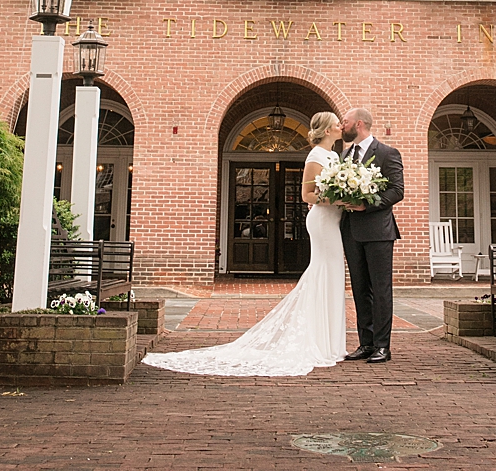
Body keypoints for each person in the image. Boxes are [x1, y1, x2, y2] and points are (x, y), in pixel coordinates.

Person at [142, 111, 347, 377]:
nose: (341, 125)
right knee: (323, 272)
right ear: (327, 129)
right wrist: (338, 200)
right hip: (322, 221)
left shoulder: (335, 156)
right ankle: (319, 341)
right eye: (337, 123)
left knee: (333, 275)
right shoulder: (316, 156)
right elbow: (307, 194)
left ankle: (330, 340)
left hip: (334, 221)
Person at [338, 106, 404, 363]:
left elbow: (397, 191)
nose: (342, 126)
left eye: (345, 122)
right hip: (351, 231)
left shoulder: (387, 153)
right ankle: (365, 343)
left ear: (360, 124)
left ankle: (382, 346)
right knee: (359, 289)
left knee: (381, 289)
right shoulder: (344, 155)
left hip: (378, 231)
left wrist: (368, 204)